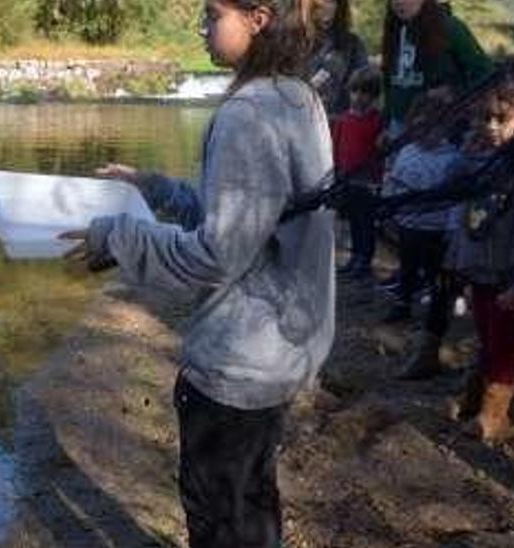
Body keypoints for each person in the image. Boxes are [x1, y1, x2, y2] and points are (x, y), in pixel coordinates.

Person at [63, 0, 335, 545]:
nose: (202, 27)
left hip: (239, 359)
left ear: (257, 18)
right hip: (285, 346)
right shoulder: (299, 97)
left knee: (217, 514)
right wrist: (158, 188)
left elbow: (213, 254)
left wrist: (117, 235)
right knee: (253, 496)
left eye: (213, 15)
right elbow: (253, 222)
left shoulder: (248, 113)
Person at [443, 71, 514, 441]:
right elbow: (460, 207)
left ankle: (497, 410)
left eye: (502, 119)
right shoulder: (480, 161)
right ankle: (480, 393)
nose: (491, 126)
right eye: (484, 118)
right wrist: (459, 263)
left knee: (503, 339)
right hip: (478, 268)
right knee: (486, 333)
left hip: (507, 273)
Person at [380, 93, 466, 338]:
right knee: (407, 267)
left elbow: (456, 200)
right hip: (408, 225)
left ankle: (437, 314)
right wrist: (390, 210)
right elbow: (394, 182)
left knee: (436, 274)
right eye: (419, 127)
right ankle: (402, 303)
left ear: (444, 126)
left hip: (436, 230)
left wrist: (452, 227)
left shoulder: (453, 160)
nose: (424, 133)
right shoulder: (406, 152)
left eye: (431, 127)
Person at [381, 0, 492, 138]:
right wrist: (385, 124)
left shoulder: (450, 27)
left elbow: (485, 73)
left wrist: (455, 91)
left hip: (438, 127)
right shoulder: (394, 28)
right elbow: (389, 80)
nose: (398, 2)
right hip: (398, 126)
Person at [332, 66, 384, 278]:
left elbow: (380, 150)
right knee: (353, 220)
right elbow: (336, 146)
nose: (359, 97)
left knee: (367, 222)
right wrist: (336, 171)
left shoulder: (377, 120)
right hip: (347, 179)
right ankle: (355, 256)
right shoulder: (344, 120)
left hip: (368, 181)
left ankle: (365, 259)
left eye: (365, 93)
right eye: (355, 91)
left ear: (373, 96)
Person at [307, 0, 370, 115]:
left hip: (339, 124)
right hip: (301, 122)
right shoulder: (292, 42)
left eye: (330, 1)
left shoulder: (353, 45)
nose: (325, 7)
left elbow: (365, 89)